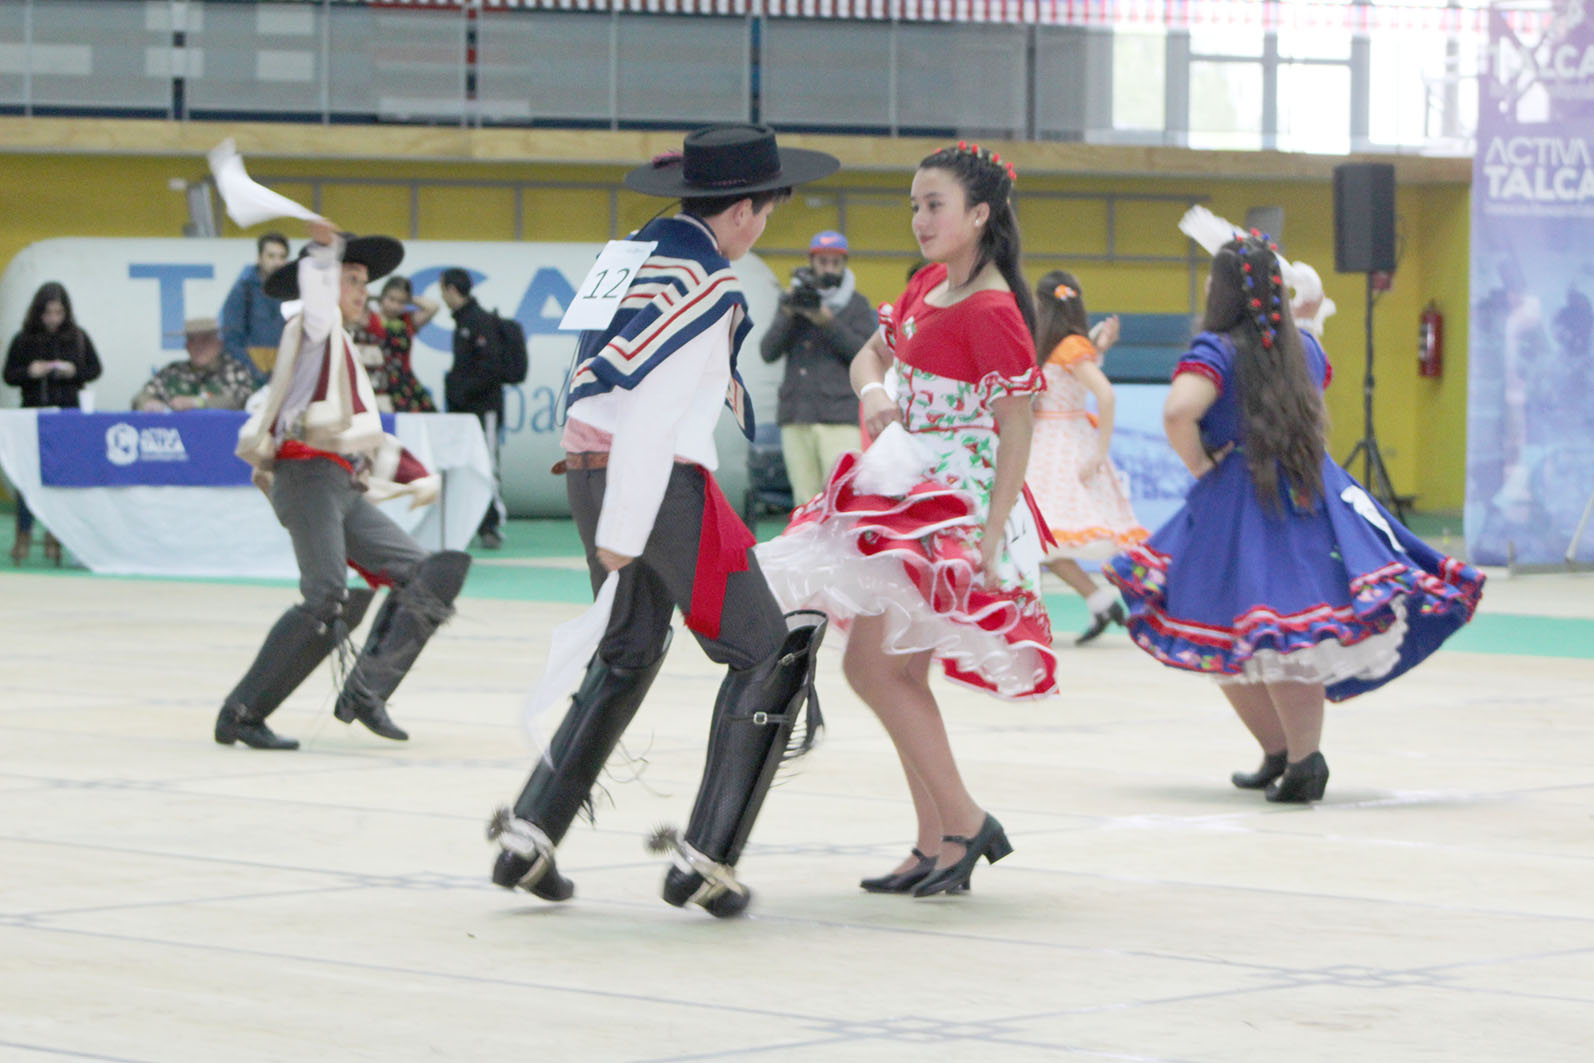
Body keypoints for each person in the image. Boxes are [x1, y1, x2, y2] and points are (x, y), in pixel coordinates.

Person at [486, 124, 836, 918]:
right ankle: (709, 856)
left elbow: (594, 377)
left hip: (586, 472)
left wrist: (613, 517)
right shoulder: (709, 284)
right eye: (768, 213)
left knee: (629, 649)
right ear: (744, 212)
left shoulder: (629, 257)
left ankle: (531, 833)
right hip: (650, 486)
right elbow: (650, 415)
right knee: (766, 648)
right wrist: (630, 519)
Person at [757, 142, 1057, 898]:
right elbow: (868, 357)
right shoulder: (929, 284)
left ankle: (963, 819)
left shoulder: (993, 308)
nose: (920, 219)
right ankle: (941, 838)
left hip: (949, 504)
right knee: (891, 668)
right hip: (902, 484)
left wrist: (989, 537)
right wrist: (876, 399)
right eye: (915, 205)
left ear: (980, 214)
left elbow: (1017, 426)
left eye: (935, 205)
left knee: (873, 668)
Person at [1104, 233, 1485, 803]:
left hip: (1240, 497)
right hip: (1304, 491)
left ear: (1225, 292)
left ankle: (1299, 759)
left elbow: (1180, 409)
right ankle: (1287, 754)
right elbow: (1311, 411)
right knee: (1264, 632)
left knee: (1254, 631)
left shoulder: (1217, 349)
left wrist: (1204, 463)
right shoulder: (1301, 347)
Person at [215, 220, 470, 751]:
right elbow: (313, 309)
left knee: (426, 574)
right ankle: (241, 712)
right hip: (307, 479)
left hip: (336, 482)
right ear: (325, 286)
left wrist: (410, 471)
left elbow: (359, 435)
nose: (363, 293)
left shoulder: (343, 350)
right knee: (327, 597)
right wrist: (324, 257)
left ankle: (364, 692)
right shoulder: (312, 333)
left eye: (363, 283)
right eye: (351, 281)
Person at [1027, 272, 1147, 644]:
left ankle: (1028, 621)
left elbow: (1105, 395)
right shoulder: (1066, 345)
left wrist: (1100, 451)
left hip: (1057, 446)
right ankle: (1099, 601)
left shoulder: (1066, 346)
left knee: (1032, 536)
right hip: (1051, 442)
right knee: (1036, 538)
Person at [758, 230, 876, 504]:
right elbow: (768, 351)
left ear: (844, 264)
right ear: (812, 261)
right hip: (796, 415)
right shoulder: (793, 300)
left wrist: (827, 321)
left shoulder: (856, 305)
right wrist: (788, 314)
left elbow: (864, 354)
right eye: (822, 262)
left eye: (835, 263)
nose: (828, 269)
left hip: (839, 415)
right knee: (805, 502)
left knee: (844, 499)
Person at [3, 281, 102, 565]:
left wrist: (73, 371)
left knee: (62, 477)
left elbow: (94, 369)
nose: (53, 320)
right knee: (27, 478)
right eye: (48, 314)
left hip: (67, 414)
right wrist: (29, 372)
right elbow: (9, 375)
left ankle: (57, 535)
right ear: (38, 313)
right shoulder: (23, 339)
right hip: (33, 414)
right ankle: (23, 532)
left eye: (59, 313)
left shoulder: (78, 337)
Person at [439, 269, 507, 548]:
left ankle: (490, 525)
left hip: (484, 408)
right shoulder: (463, 321)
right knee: (466, 465)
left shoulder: (479, 321)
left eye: (442, 290)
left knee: (487, 463)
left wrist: (460, 391)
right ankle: (470, 523)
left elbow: (491, 368)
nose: (442, 297)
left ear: (451, 290)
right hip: (465, 409)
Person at [132, 317, 257, 413]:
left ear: (218, 344)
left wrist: (197, 403)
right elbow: (141, 396)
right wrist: (149, 403)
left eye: (205, 340)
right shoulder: (172, 372)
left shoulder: (235, 370)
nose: (199, 347)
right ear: (186, 346)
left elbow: (245, 400)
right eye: (192, 341)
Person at [220, 232, 290, 385]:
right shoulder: (243, 291)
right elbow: (231, 339)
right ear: (259, 258)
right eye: (271, 256)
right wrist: (255, 372)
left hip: (286, 376)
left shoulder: (292, 293)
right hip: (249, 377)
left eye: (282, 257)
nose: (277, 262)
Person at [364, 275, 439, 413]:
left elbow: (432, 307)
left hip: (404, 386)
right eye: (391, 299)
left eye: (401, 302)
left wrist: (409, 299)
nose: (394, 306)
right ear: (383, 296)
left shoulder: (408, 321)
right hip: (376, 382)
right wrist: (377, 297)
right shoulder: (369, 319)